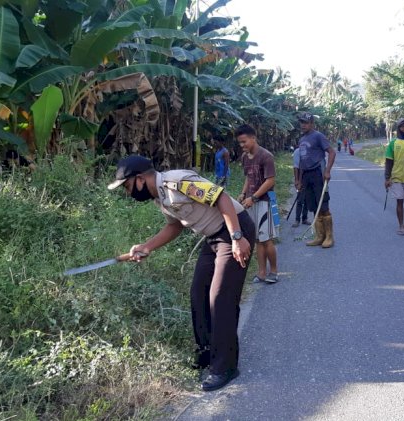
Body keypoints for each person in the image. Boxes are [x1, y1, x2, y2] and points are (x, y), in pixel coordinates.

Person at [107, 155, 254, 392]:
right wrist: (146, 247)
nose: (127, 192)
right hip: (213, 238)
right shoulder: (162, 198)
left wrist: (237, 238)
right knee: (198, 294)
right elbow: (174, 226)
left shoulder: (177, 183)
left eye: (127, 186)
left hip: (235, 230)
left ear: (140, 179)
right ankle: (207, 353)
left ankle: (225, 367)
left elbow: (221, 198)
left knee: (221, 298)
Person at [235, 124, 279, 284]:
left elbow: (270, 181)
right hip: (251, 201)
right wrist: (243, 193)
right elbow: (248, 177)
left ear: (253, 138)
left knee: (267, 240)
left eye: (244, 141)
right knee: (257, 240)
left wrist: (253, 197)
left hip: (265, 202)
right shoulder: (245, 157)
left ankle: (273, 271)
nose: (242, 145)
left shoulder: (266, 156)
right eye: (240, 143)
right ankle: (261, 272)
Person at [297, 112, 336, 248]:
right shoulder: (301, 140)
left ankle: (329, 237)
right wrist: (299, 180)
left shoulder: (318, 136)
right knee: (313, 206)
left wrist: (327, 171)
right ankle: (319, 236)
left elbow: (331, 152)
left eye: (306, 122)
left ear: (312, 124)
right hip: (306, 176)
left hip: (318, 174)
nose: (303, 125)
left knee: (323, 205)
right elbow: (302, 160)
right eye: (301, 122)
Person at [292, 147, 310, 227]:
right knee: (300, 199)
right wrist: (297, 181)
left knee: (307, 199)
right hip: (300, 178)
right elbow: (296, 167)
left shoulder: (310, 151)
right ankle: (297, 219)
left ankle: (304, 218)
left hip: (309, 178)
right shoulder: (297, 151)